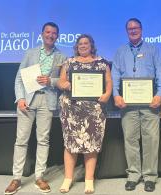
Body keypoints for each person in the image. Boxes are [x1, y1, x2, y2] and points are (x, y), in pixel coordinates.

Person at [4, 22, 67, 195]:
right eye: (48, 32)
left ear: (57, 36)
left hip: (47, 101)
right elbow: (19, 79)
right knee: (21, 140)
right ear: (42, 34)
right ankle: (16, 178)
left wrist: (51, 81)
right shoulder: (31, 53)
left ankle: (39, 177)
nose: (51, 35)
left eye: (54, 33)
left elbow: (62, 82)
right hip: (28, 100)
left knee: (43, 140)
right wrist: (20, 98)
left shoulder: (62, 57)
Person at [111, 18, 161, 192]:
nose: (133, 30)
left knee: (151, 140)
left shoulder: (153, 49)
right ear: (126, 31)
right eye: (130, 28)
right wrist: (116, 94)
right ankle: (133, 175)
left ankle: (150, 176)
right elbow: (114, 76)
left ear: (142, 29)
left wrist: (159, 94)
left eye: (136, 28)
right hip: (127, 105)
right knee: (130, 140)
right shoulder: (120, 51)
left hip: (150, 104)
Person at [57, 34, 112, 194]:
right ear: (76, 46)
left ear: (91, 45)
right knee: (70, 145)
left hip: (94, 111)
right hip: (71, 110)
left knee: (91, 145)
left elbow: (109, 82)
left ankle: (89, 180)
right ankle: (68, 179)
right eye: (80, 43)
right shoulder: (69, 62)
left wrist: (108, 94)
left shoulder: (102, 62)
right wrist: (65, 84)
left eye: (86, 43)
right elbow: (60, 82)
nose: (83, 45)